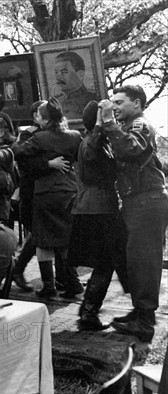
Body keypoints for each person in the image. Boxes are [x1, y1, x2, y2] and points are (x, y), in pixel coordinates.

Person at [98, 85, 168, 343]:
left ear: (137, 104)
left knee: (145, 260)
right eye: (112, 103)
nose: (114, 107)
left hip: (147, 200)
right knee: (134, 259)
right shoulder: (129, 126)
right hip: (137, 200)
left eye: (119, 102)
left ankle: (145, 322)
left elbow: (130, 149)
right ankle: (140, 311)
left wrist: (108, 121)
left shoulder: (141, 125)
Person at [12, 98, 83, 299]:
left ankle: (49, 285)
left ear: (44, 119)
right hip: (69, 191)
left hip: (46, 194)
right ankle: (73, 281)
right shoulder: (75, 136)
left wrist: (44, 161)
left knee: (43, 240)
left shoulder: (40, 138)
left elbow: (18, 152)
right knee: (66, 240)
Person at [67, 101, 127, 331]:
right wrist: (101, 124)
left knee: (107, 261)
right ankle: (89, 312)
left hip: (98, 206)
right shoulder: (91, 142)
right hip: (98, 208)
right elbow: (91, 153)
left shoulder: (97, 140)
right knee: (106, 262)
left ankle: (88, 309)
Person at [52, 51, 97, 120]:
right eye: (56, 72)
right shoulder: (55, 102)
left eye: (64, 72)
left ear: (80, 74)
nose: (58, 77)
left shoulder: (92, 99)